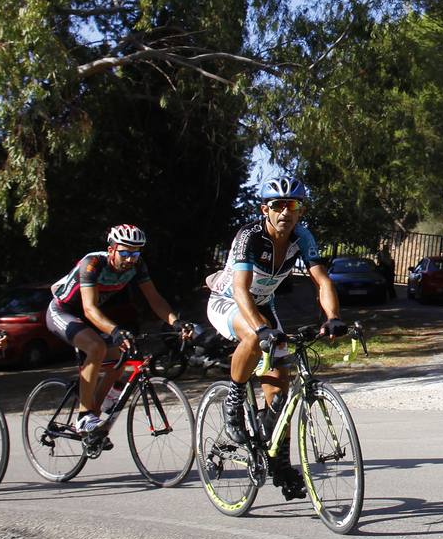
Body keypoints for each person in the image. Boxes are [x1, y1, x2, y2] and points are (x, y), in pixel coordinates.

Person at [206, 177, 346, 499]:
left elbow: (322, 281)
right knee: (256, 339)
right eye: (278, 205)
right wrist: (260, 327)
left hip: (263, 306)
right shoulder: (250, 237)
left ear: (300, 210)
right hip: (229, 302)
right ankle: (234, 398)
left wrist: (333, 317)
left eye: (292, 205)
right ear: (265, 209)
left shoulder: (302, 237)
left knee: (279, 396)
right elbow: (241, 289)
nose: (285, 212)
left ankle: (279, 462)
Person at [46, 224, 186, 438]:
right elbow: (89, 309)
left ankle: (96, 418)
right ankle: (84, 417)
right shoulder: (92, 263)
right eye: (125, 253)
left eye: (136, 253)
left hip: (88, 317)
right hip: (62, 311)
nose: (131, 259)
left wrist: (176, 322)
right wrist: (116, 330)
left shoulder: (137, 266)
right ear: (111, 250)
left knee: (122, 353)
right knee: (96, 347)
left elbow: (155, 300)